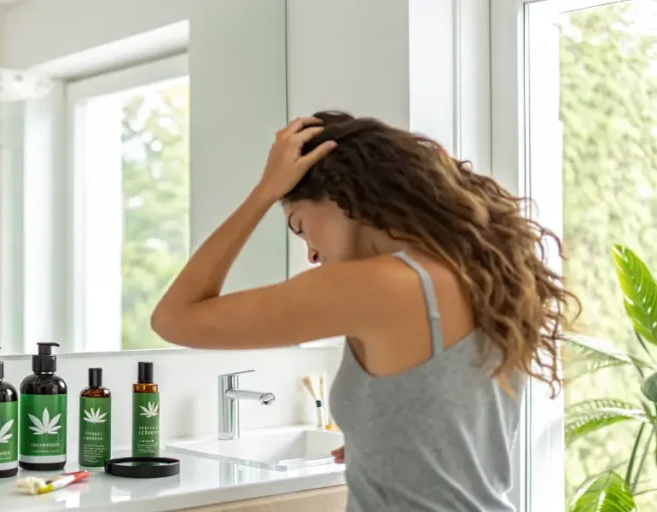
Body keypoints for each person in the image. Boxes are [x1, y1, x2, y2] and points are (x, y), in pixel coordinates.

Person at [151, 112, 576, 511]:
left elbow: (174, 318)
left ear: (341, 196)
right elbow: (456, 424)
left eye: (300, 226)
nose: (312, 253)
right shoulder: (484, 277)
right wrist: (379, 442)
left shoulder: (376, 286)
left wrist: (266, 191)